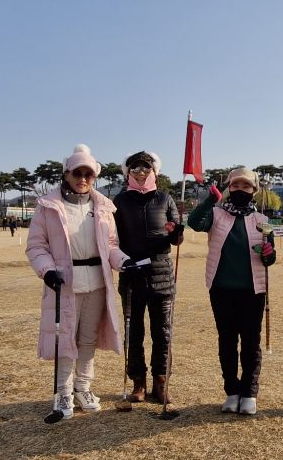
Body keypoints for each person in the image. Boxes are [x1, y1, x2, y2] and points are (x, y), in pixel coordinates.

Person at [26, 144, 140, 422]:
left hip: (97, 282)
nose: (83, 179)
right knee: (66, 339)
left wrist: (123, 261)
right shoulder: (48, 207)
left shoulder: (102, 207)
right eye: (77, 173)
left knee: (88, 339)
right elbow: (36, 246)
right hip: (65, 283)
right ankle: (64, 392)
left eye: (88, 174)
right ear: (66, 174)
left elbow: (111, 244)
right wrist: (47, 270)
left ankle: (83, 387)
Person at [188, 167, 276, 416]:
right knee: (227, 341)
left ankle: (249, 393)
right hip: (221, 289)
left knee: (251, 343)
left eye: (246, 186)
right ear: (228, 188)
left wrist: (269, 254)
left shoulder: (262, 220)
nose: (240, 190)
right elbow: (194, 223)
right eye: (235, 185)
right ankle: (232, 391)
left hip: (254, 291)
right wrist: (210, 200)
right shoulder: (216, 214)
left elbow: (270, 257)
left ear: (254, 190)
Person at [112, 151, 184, 405]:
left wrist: (176, 232)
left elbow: (176, 238)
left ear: (155, 172)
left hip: (162, 274)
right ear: (128, 173)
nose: (141, 173)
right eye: (136, 169)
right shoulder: (120, 201)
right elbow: (113, 238)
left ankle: (161, 382)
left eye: (146, 169)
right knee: (134, 333)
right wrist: (123, 261)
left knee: (162, 332)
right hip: (132, 275)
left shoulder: (165, 198)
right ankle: (138, 382)